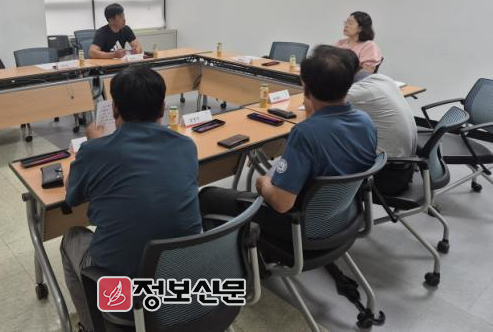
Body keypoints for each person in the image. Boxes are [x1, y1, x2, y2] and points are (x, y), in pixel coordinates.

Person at [61, 66, 202, 332]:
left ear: (115, 109)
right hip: (184, 283)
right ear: (162, 108)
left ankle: (92, 326)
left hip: (124, 298)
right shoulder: (186, 146)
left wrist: (84, 151)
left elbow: (71, 195)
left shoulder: (94, 151)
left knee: (71, 237)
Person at [200, 45, 377, 248]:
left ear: (306, 89)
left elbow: (281, 203)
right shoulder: (365, 121)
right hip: (342, 217)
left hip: (300, 227)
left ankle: (234, 258)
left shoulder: (306, 133)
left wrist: (262, 182)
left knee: (208, 197)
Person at [345, 49, 417, 195]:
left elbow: (317, 112)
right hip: (406, 166)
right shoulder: (383, 79)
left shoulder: (355, 93)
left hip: (386, 177)